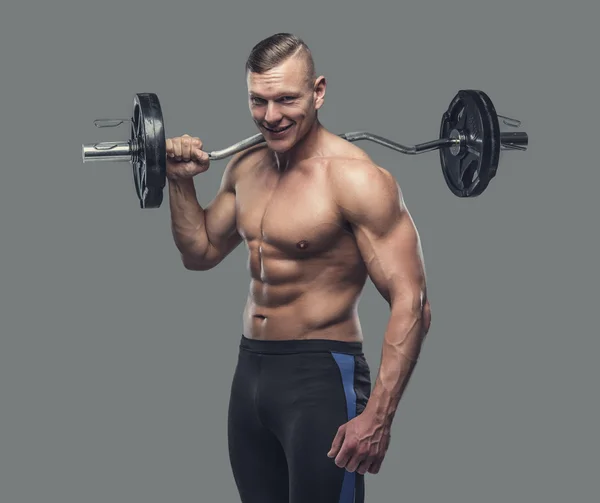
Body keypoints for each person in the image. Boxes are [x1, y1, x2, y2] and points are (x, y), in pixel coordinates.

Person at [165, 33, 432, 503]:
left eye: (286, 99)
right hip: (250, 374)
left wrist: (378, 416)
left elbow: (414, 303)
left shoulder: (356, 179)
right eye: (259, 100)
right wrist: (180, 183)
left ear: (319, 91)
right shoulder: (245, 169)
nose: (271, 116)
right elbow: (200, 252)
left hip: (320, 378)